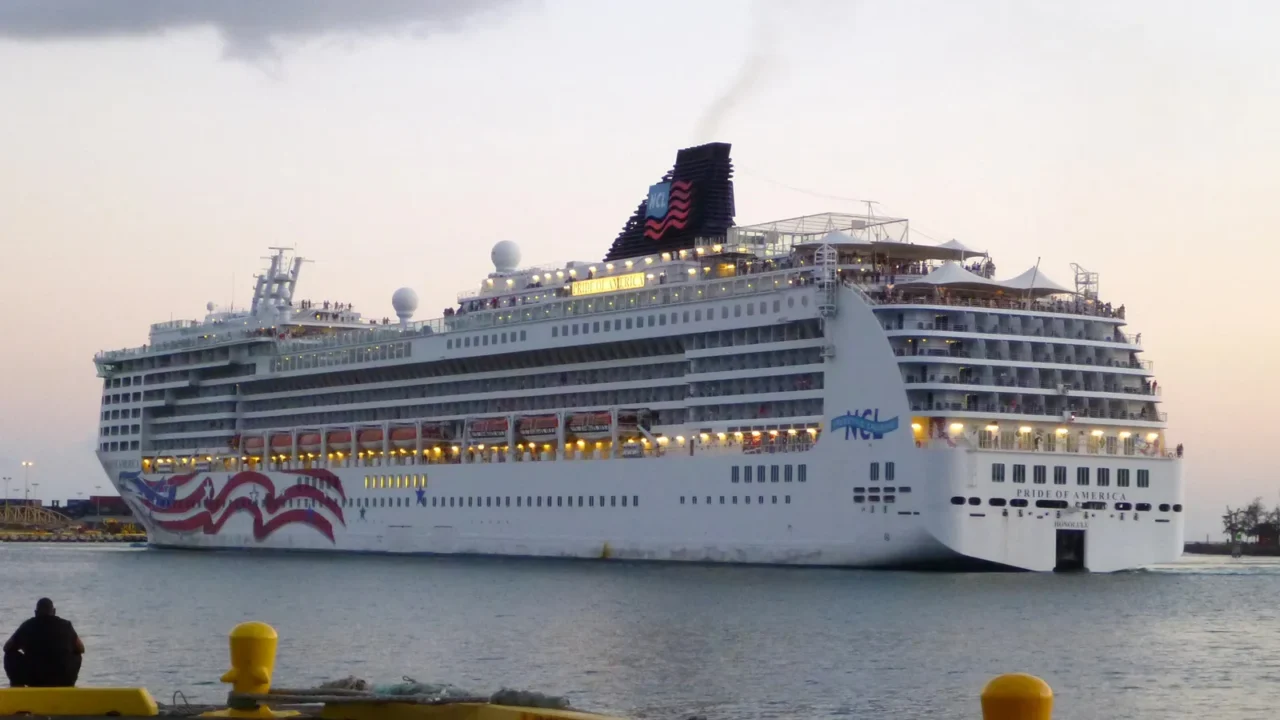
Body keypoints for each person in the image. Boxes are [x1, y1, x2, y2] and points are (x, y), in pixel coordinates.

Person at [3, 598, 84, 687]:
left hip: (35, 679)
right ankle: (69, 684)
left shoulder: (28, 625)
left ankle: (17, 687)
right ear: (54, 611)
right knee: (77, 654)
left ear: (36, 613)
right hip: (63, 678)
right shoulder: (66, 625)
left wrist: (24, 646)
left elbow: (7, 647)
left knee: (9, 655)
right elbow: (81, 648)